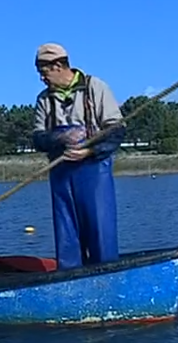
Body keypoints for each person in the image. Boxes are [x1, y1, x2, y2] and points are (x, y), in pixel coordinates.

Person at [31, 42, 126, 270]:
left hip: (94, 170)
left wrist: (89, 151)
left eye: (44, 72)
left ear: (58, 66)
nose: (42, 78)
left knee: (99, 228)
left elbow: (117, 131)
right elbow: (38, 138)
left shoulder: (95, 88)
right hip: (61, 172)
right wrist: (60, 139)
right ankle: (71, 278)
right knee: (67, 233)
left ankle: (105, 275)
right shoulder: (44, 99)